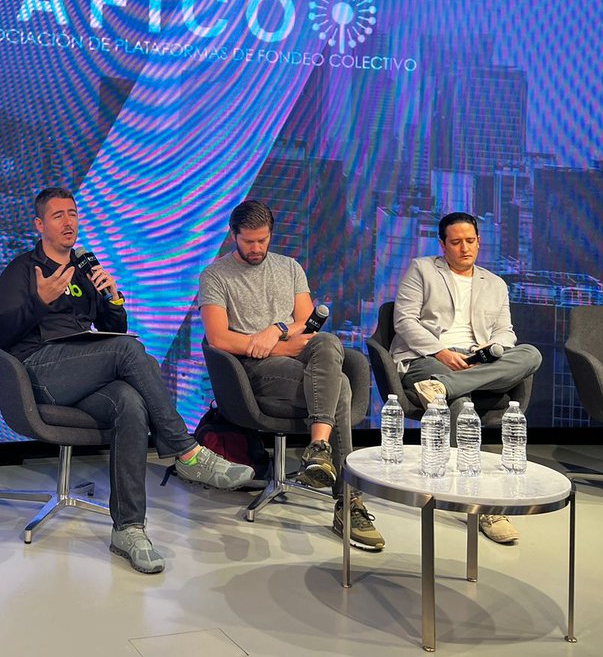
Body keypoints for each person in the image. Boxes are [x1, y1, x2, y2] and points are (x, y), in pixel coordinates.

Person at [0, 187, 255, 574]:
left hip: (84, 370)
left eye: (73, 214)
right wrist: (40, 301)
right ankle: (186, 452)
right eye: (58, 216)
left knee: (130, 403)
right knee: (131, 351)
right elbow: (2, 333)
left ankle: (128, 529)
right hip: (40, 373)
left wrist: (113, 299)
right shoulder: (22, 270)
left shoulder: (84, 269)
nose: (68, 222)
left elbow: (112, 329)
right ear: (39, 225)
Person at [198, 200, 385, 551]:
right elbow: (219, 338)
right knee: (341, 386)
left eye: (263, 240)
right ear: (233, 235)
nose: (256, 248)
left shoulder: (289, 267)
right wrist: (275, 348)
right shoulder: (215, 275)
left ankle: (318, 448)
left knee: (328, 340)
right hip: (253, 370)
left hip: (297, 356)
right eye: (249, 241)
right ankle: (348, 502)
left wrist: (277, 329)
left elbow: (307, 322)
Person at [390, 211, 542, 544]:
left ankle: (443, 388)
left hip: (478, 361)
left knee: (531, 354)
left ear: (479, 242)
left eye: (470, 241)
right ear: (442, 244)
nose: (464, 248)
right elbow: (404, 321)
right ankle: (482, 505)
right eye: (456, 242)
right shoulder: (422, 269)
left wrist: (492, 348)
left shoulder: (495, 283)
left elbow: (505, 331)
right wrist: (442, 353)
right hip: (429, 358)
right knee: (461, 403)